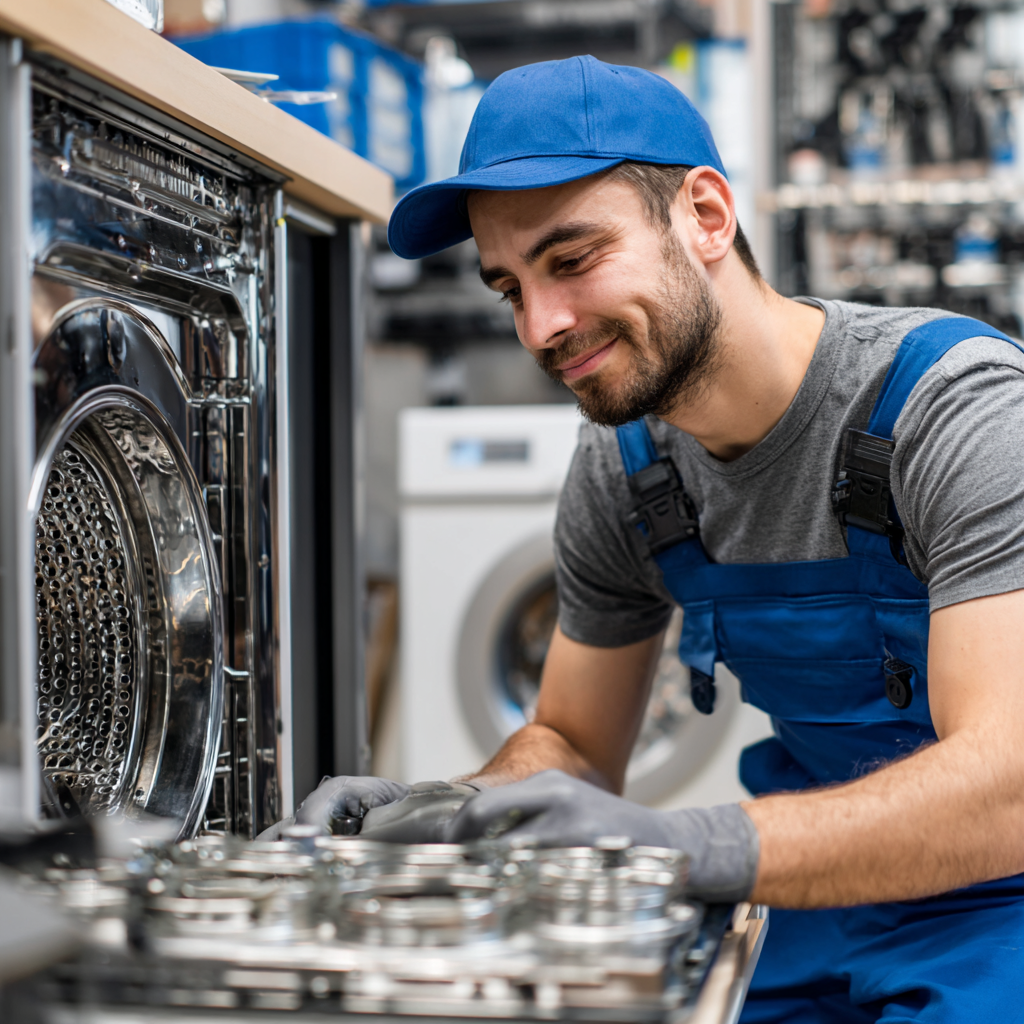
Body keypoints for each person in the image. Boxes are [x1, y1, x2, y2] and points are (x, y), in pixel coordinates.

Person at [292, 57, 1024, 1020]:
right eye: (509, 287)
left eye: (573, 259)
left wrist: (673, 846)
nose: (540, 327)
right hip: (802, 905)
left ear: (707, 217)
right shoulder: (629, 470)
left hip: (998, 904)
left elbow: (1008, 789)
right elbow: (574, 743)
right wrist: (446, 807)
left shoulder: (954, 412)